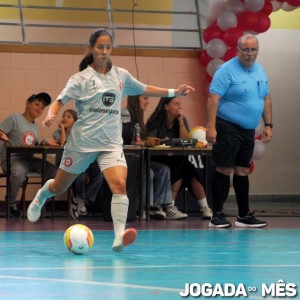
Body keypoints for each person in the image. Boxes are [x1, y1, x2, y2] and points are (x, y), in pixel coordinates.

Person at [26, 28, 195, 253]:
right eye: (100, 47)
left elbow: (146, 88)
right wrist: (51, 114)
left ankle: (118, 236)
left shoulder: (121, 76)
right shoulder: (81, 78)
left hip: (110, 145)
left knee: (119, 185)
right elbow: (60, 100)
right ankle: (41, 196)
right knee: (59, 186)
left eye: (108, 47)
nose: (104, 52)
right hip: (82, 144)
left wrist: (176, 91)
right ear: (92, 49)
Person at [206, 33, 272, 228]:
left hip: (248, 129)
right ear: (238, 50)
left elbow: (266, 98)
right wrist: (211, 127)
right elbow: (213, 98)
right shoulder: (226, 70)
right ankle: (216, 215)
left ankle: (243, 216)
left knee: (243, 170)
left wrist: (268, 125)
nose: (250, 54)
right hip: (227, 125)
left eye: (253, 50)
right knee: (224, 168)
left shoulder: (260, 71)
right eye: (246, 50)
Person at [122, 95, 187, 220]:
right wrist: (145, 142)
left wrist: (149, 141)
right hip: (128, 158)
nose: (148, 102)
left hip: (140, 159)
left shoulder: (139, 117)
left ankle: (157, 206)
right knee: (149, 172)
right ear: (135, 100)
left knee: (164, 169)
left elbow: (140, 139)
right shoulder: (125, 114)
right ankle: (143, 207)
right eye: (145, 98)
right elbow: (125, 136)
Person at [146, 97, 212, 219]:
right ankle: (172, 206)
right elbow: (150, 142)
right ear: (166, 107)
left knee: (187, 167)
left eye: (180, 104)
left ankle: (204, 208)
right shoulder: (155, 121)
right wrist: (161, 142)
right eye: (176, 104)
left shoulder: (181, 121)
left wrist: (181, 121)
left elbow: (187, 141)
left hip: (175, 159)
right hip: (157, 159)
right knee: (184, 167)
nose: (179, 107)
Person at [0, 93, 57, 218]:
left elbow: (32, 143)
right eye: (37, 104)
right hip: (14, 158)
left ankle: (40, 203)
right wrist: (2, 135)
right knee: (18, 172)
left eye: (42, 107)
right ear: (27, 103)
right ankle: (11, 202)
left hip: (29, 158)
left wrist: (44, 142)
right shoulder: (14, 118)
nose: (39, 108)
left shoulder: (35, 127)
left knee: (54, 172)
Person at [52, 109, 103, 219]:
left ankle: (79, 200)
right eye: (64, 116)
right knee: (80, 175)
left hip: (82, 162)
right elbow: (63, 144)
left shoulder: (81, 134)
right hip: (66, 165)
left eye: (68, 117)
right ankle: (80, 201)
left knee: (99, 174)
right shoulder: (57, 133)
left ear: (75, 121)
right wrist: (63, 130)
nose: (65, 118)